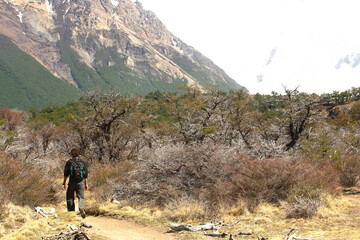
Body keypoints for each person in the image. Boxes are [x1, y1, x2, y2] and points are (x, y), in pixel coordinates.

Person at [62, 148, 88, 218]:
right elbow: (85, 174)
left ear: (71, 154)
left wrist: (64, 183)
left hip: (72, 182)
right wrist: (86, 184)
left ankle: (71, 212)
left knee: (70, 196)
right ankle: (81, 207)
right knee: (81, 197)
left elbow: (66, 174)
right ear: (78, 154)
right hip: (81, 182)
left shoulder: (69, 162)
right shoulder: (82, 162)